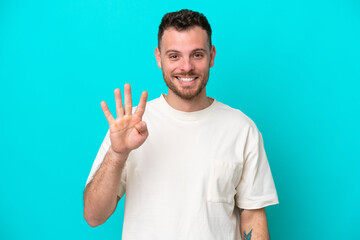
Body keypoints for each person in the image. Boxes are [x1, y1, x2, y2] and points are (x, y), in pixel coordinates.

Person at [84, 9, 278, 240]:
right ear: (159, 58)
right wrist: (118, 153)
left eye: (197, 55)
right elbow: (93, 216)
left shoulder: (241, 128)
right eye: (174, 56)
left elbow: (253, 216)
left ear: (212, 55)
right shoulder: (131, 126)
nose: (186, 67)